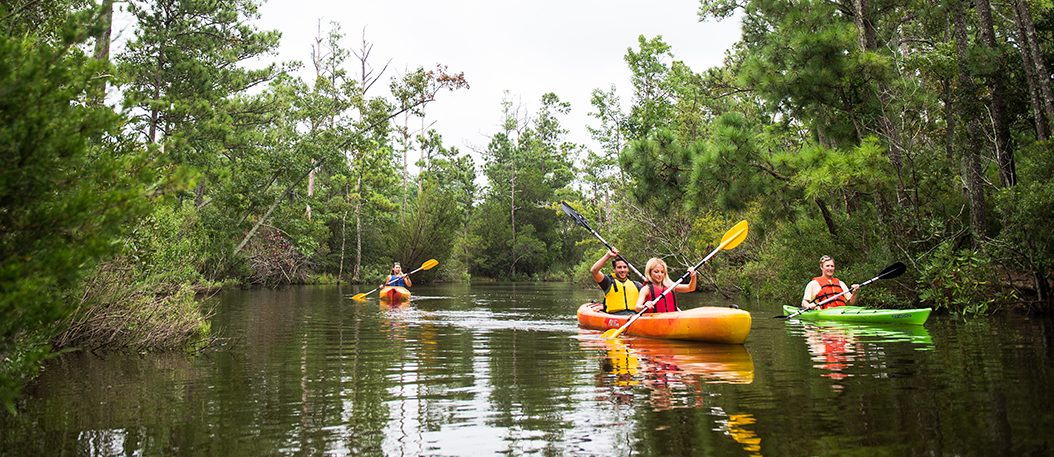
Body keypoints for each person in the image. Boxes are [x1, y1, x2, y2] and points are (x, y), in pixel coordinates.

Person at [589, 249, 642, 315]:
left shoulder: (637, 285)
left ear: (628, 269)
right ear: (614, 269)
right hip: (615, 317)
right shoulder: (608, 282)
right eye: (619, 267)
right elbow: (594, 271)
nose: (622, 270)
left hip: (634, 316)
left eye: (625, 267)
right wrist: (607, 256)